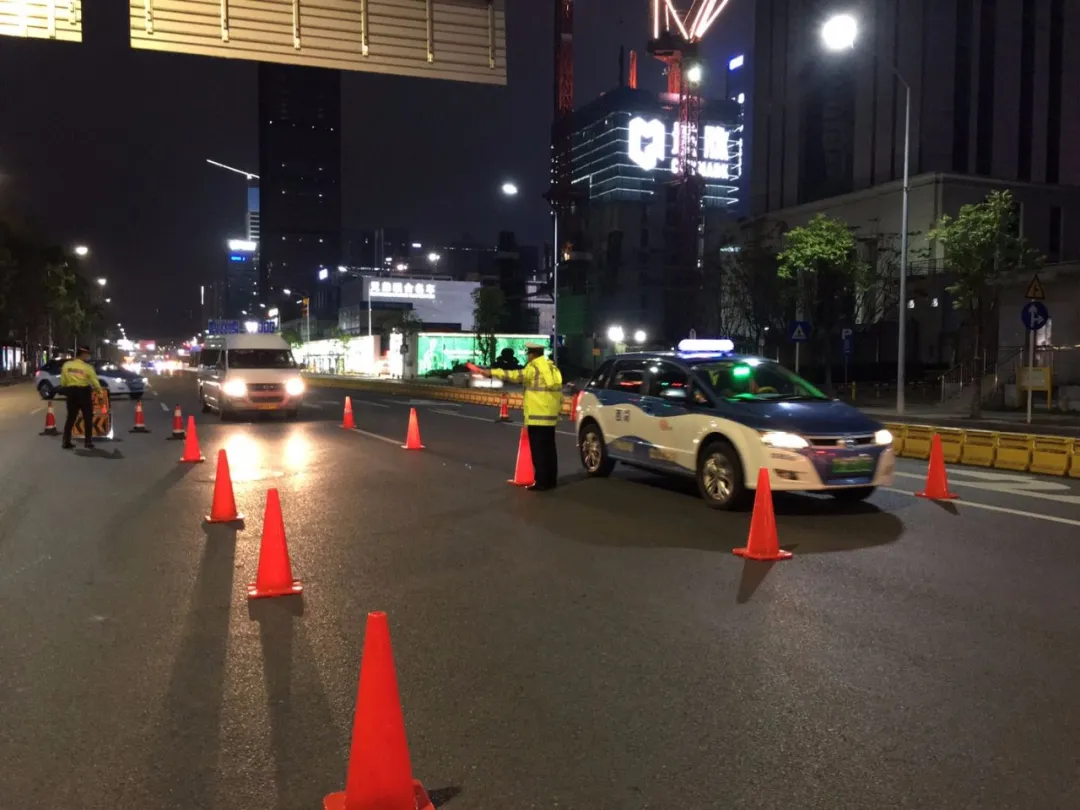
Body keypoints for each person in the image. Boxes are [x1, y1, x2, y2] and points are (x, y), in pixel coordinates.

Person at [470, 342, 563, 491]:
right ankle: (551, 480)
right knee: (549, 449)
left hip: (537, 415)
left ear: (532, 354)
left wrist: (491, 372)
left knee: (538, 450)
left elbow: (515, 375)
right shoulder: (552, 367)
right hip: (551, 415)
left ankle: (542, 482)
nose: (527, 357)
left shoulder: (534, 367)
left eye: (528, 354)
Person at [60, 347, 103, 450]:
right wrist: (100, 394)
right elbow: (95, 382)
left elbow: (63, 382)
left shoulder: (66, 365)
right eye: (87, 354)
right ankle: (88, 442)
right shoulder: (87, 367)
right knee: (87, 418)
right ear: (83, 354)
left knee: (70, 418)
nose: (88, 356)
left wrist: (68, 389)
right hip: (84, 393)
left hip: (71, 393)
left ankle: (66, 442)